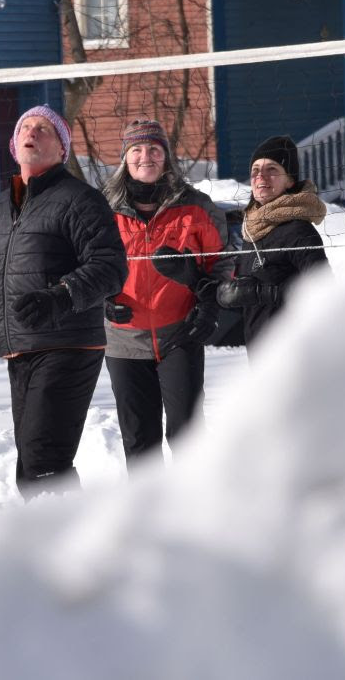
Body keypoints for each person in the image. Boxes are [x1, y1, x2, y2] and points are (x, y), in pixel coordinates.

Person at [0, 105, 127, 497]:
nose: (33, 131)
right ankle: (52, 546)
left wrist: (60, 297)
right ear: (14, 145)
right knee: (31, 466)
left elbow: (111, 267)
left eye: (45, 128)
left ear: (61, 148)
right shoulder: (0, 207)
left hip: (68, 344)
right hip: (21, 348)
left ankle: (71, 550)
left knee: (43, 462)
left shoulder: (79, 199)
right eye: (25, 126)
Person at [102, 119, 232, 464]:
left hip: (180, 334)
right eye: (137, 150)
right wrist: (100, 301)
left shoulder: (197, 206)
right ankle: (149, 514)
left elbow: (220, 264)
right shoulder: (101, 210)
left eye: (155, 149)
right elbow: (85, 265)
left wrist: (209, 307)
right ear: (125, 158)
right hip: (123, 341)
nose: (147, 156)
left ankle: (196, 509)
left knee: (187, 434)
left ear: (167, 157)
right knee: (139, 438)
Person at [216, 135, 328, 348]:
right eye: (255, 171)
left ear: (290, 181)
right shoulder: (251, 230)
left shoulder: (298, 230)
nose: (261, 177)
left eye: (272, 170)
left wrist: (264, 292)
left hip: (296, 352)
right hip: (261, 355)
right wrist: (229, 294)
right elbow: (256, 295)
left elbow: (323, 289)